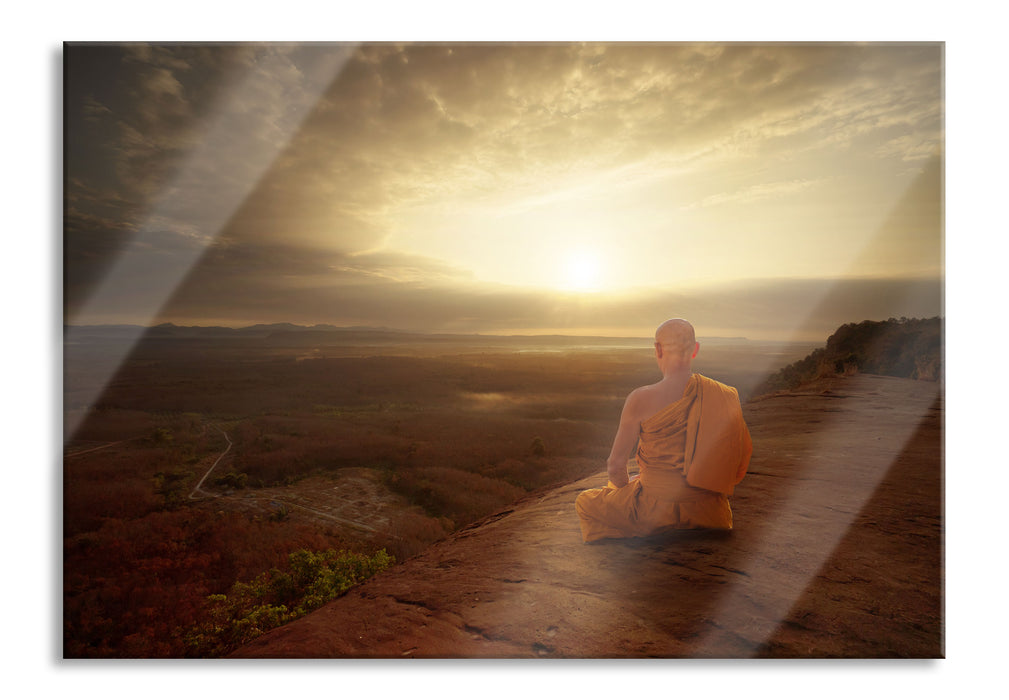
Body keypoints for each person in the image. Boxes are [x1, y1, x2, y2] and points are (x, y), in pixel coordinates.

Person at [575, 318, 752, 542]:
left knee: (585, 501)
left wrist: (630, 492)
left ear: (658, 349)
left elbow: (615, 466)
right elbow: (735, 463)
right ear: (695, 349)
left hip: (654, 514)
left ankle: (636, 533)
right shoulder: (724, 395)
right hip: (711, 514)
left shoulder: (640, 398)